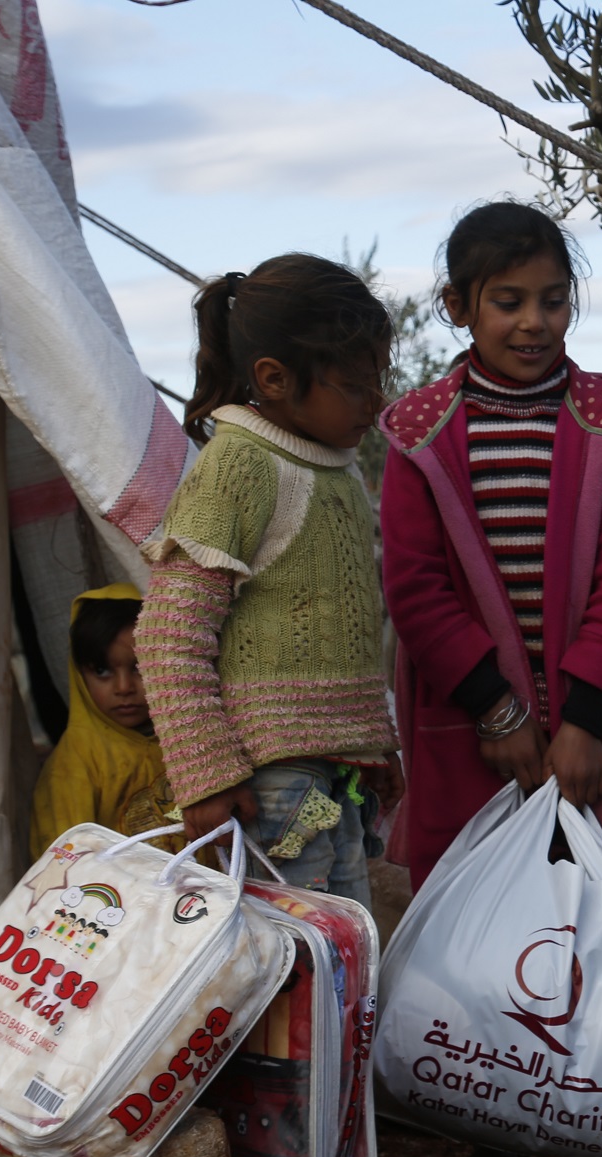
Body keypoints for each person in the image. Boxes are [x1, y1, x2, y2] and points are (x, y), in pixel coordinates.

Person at [379, 201, 602, 902]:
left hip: (597, 724)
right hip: (472, 727)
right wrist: (498, 712)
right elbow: (415, 587)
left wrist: (581, 722)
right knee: (478, 932)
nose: (534, 322)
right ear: (458, 306)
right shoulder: (421, 434)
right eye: (509, 301)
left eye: (554, 301)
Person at [135, 254, 404, 905]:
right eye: (355, 384)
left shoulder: (337, 465)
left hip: (330, 785)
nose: (378, 401)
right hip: (272, 788)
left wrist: (375, 742)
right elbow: (168, 636)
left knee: (336, 937)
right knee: (292, 948)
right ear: (275, 379)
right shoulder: (241, 466)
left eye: (380, 380)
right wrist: (205, 775)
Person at [27, 584, 181, 856]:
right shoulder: (76, 762)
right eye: (102, 670)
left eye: (139, 668)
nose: (123, 687)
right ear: (79, 677)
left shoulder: (186, 741)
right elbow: (66, 863)